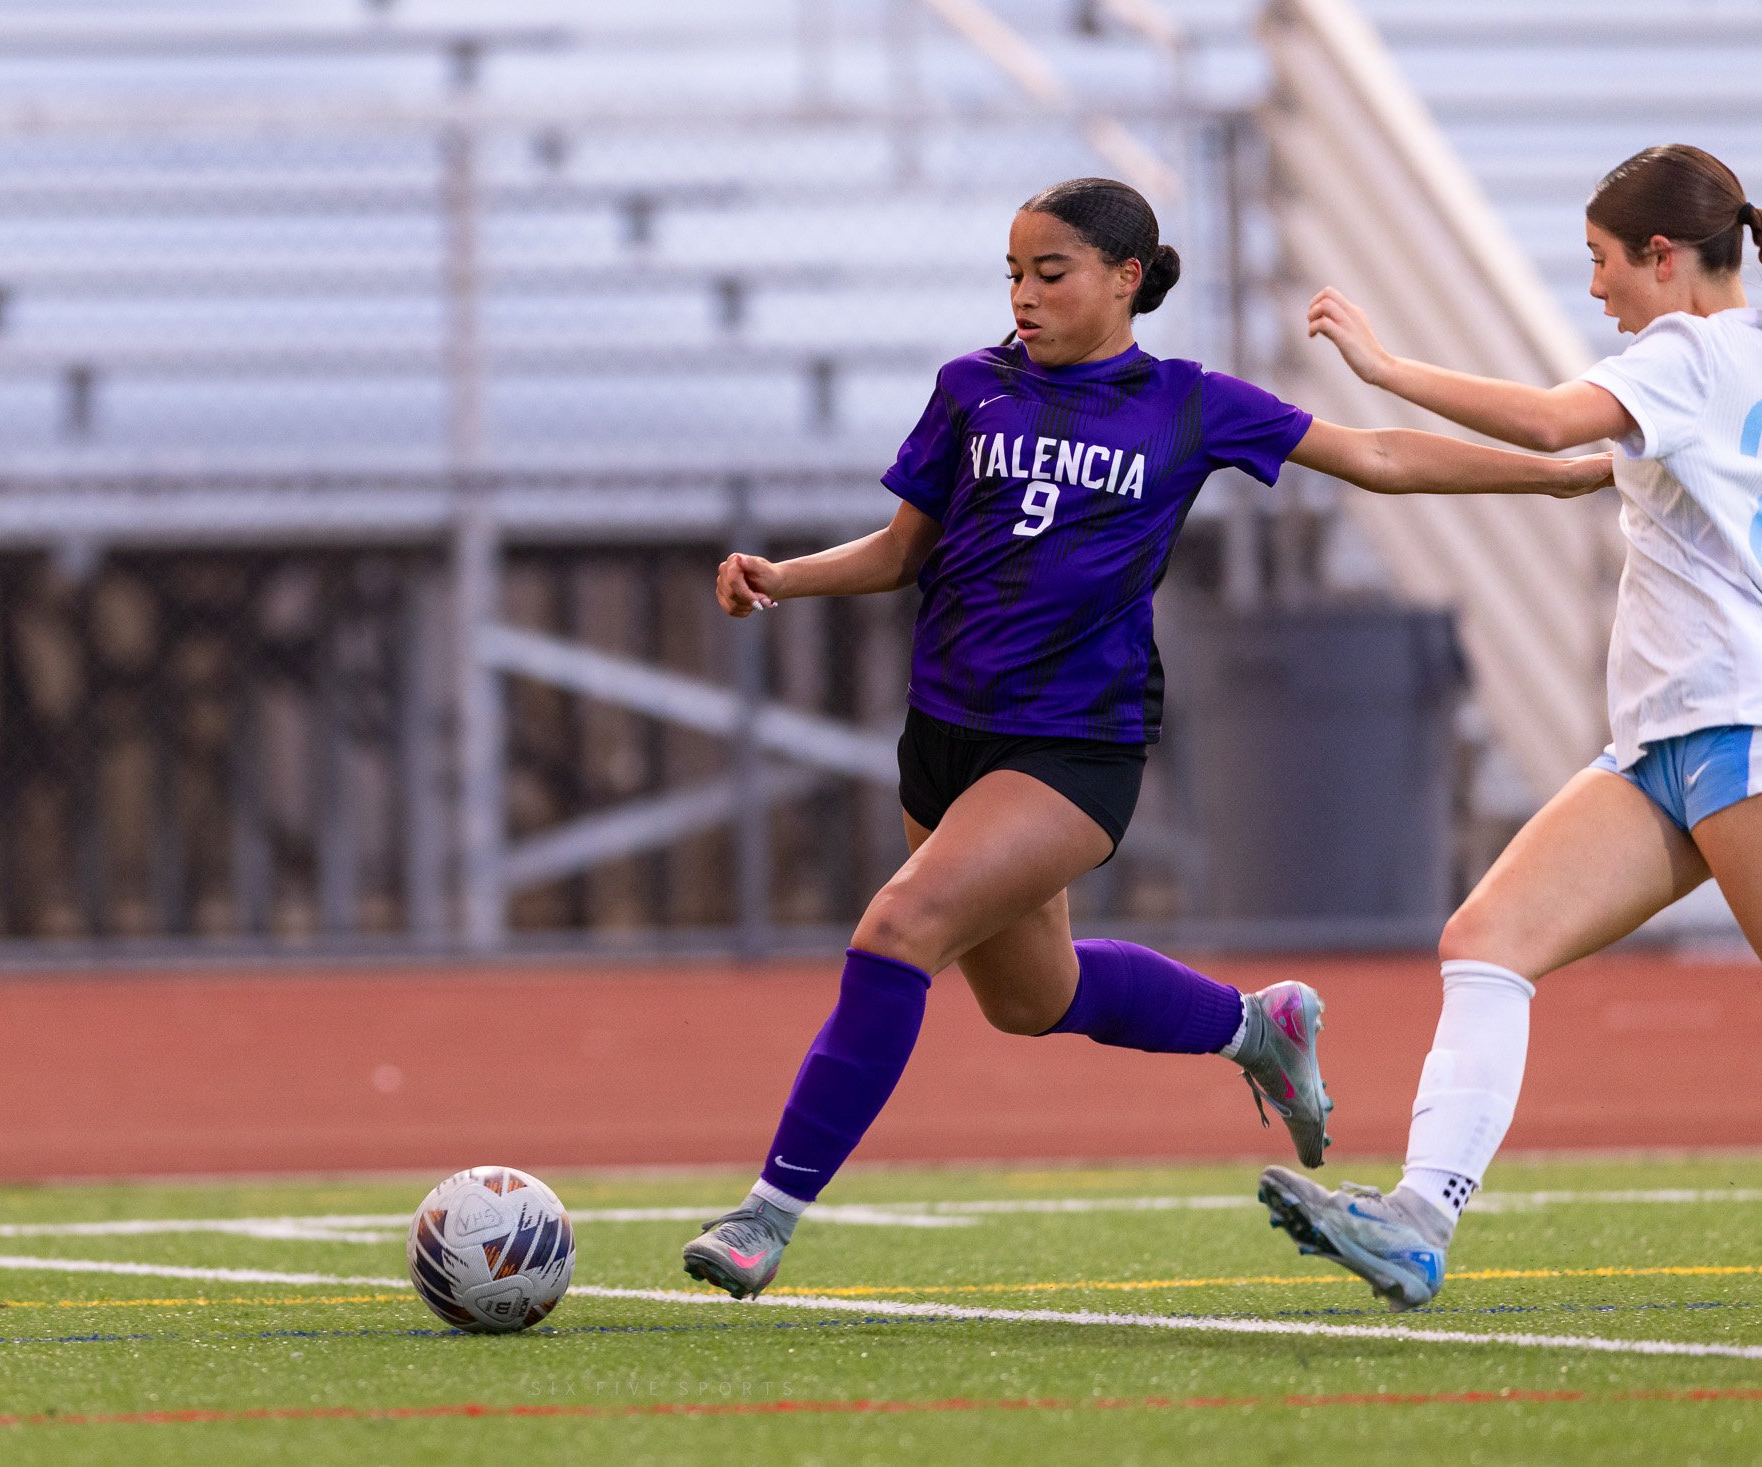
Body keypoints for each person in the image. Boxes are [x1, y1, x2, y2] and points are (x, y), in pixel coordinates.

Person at [679, 176, 1613, 1301]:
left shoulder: (1188, 403)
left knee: (898, 926)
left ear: (1126, 277)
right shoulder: (970, 388)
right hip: (943, 736)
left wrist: (1553, 474)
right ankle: (1255, 1027)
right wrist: (784, 577)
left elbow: (1374, 456)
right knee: (1031, 1000)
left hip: (1073, 749)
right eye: (1013, 274)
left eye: (1051, 272)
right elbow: (898, 551)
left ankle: (766, 1216)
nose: (1024, 295)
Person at [1258, 144, 1762, 1311]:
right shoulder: (1727, 359)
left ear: (1661, 255)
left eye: (1600, 259)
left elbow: (1546, 423)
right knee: (1486, 939)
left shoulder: (1687, 351)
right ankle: (1417, 1221)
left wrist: (1383, 366)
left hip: (1731, 719)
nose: (1594, 287)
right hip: (1662, 743)